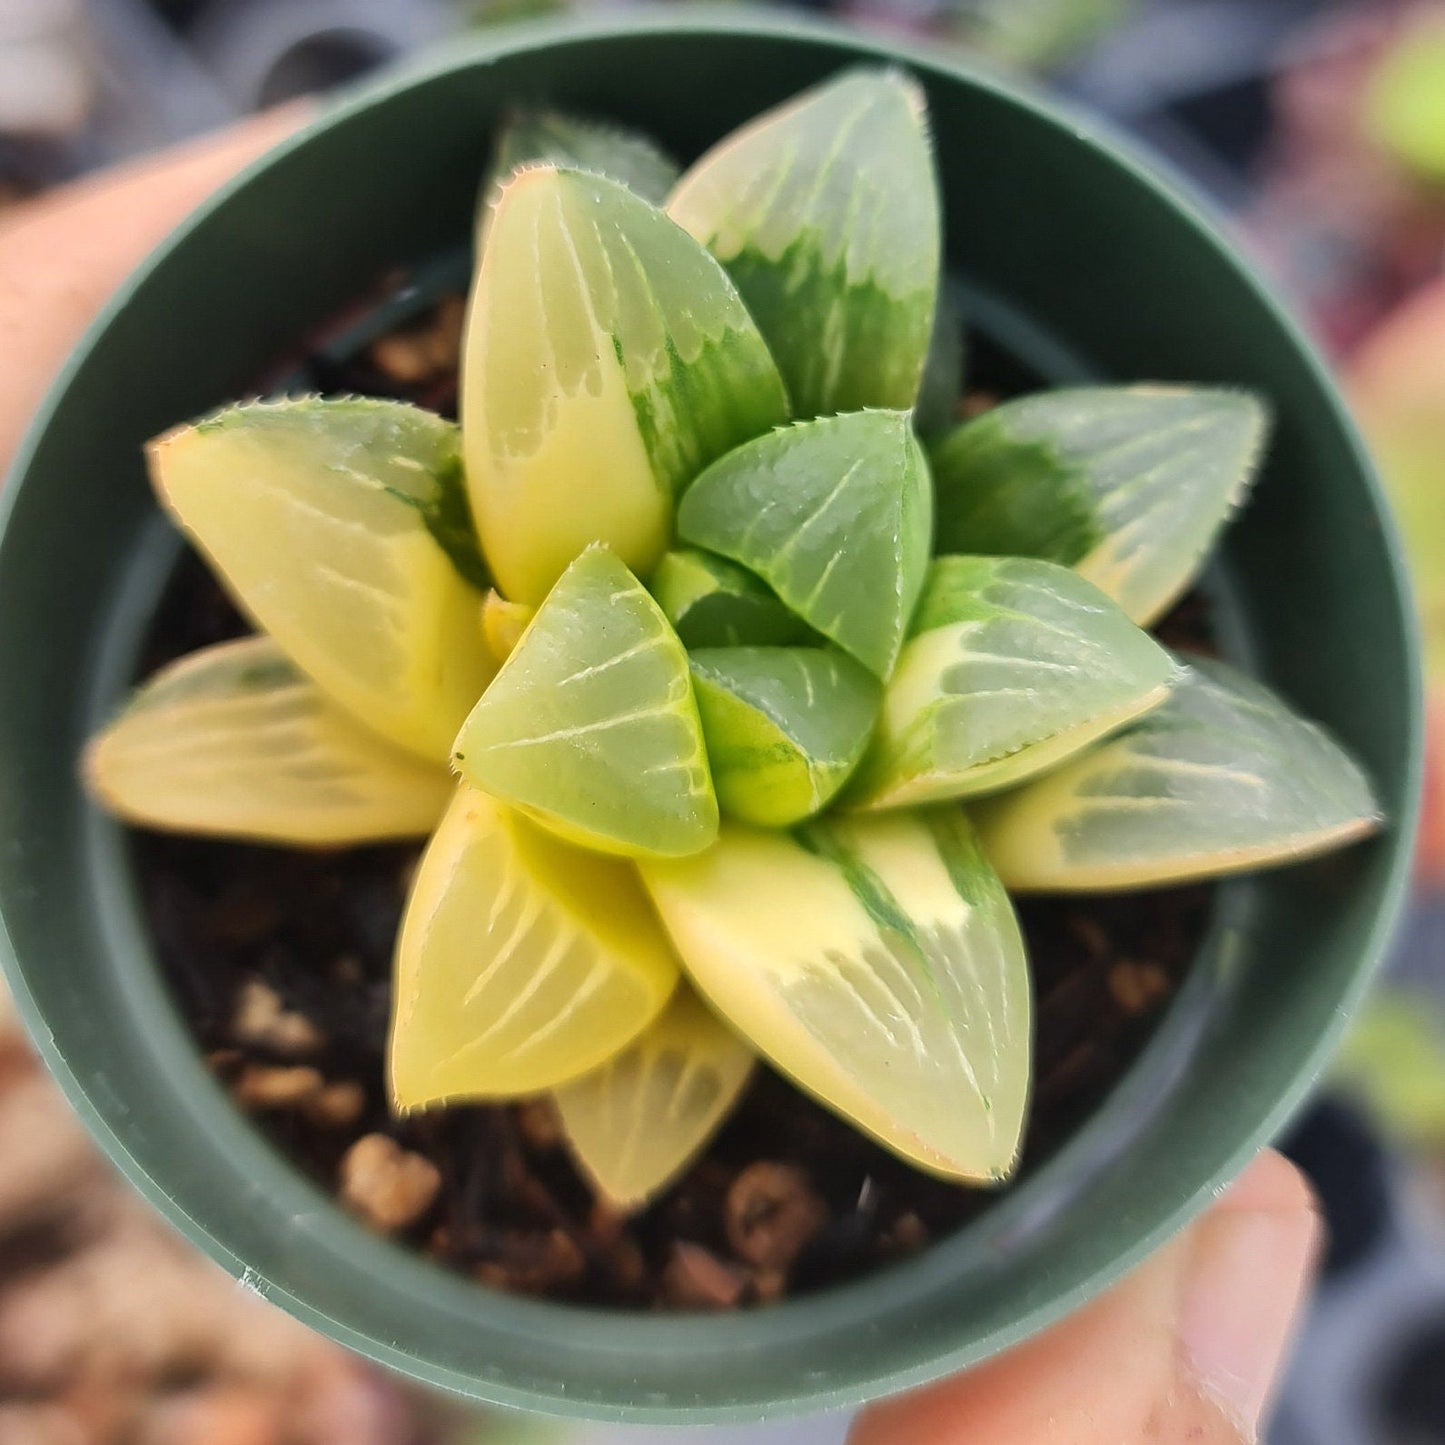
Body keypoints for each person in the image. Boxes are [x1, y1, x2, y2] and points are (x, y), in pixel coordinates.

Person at [0, 113, 1323, 1445]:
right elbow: (570, 228)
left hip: (763, 806)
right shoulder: (544, 668)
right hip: (501, 723)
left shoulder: (885, 623)